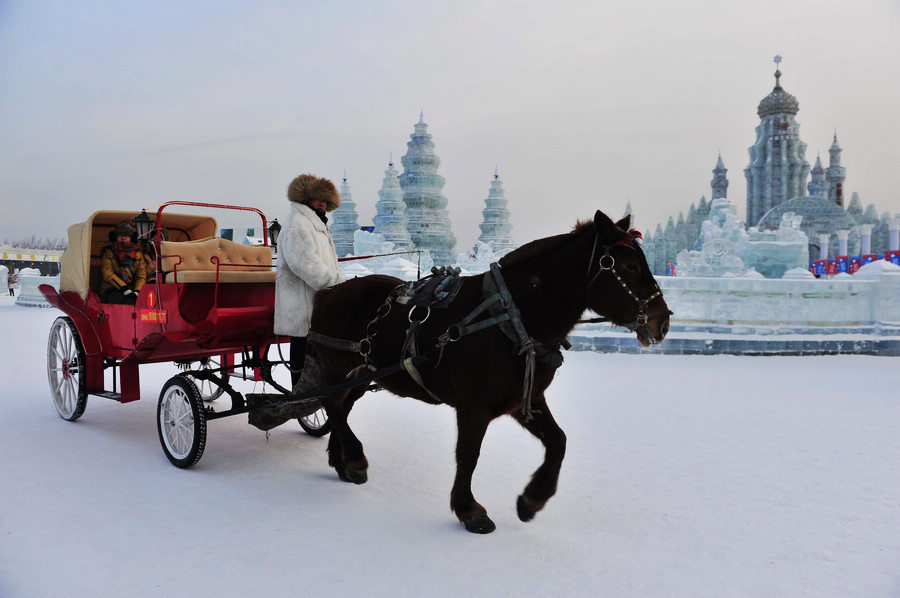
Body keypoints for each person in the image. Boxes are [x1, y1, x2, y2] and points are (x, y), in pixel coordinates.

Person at [274, 174, 346, 386]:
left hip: (319, 298)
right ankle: (298, 389)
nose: (322, 203)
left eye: (325, 199)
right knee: (302, 340)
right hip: (302, 300)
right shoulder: (298, 224)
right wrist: (338, 284)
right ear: (305, 199)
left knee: (318, 344)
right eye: (317, 198)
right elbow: (305, 264)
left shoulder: (317, 225)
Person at [99, 221, 146, 304]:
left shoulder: (138, 255)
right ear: (115, 238)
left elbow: (141, 276)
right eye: (120, 235)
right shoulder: (108, 252)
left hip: (131, 288)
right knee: (120, 300)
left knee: (141, 302)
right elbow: (107, 274)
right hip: (111, 288)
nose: (123, 238)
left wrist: (137, 290)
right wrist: (124, 288)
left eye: (126, 235)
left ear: (131, 238)